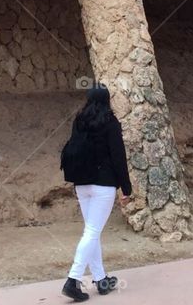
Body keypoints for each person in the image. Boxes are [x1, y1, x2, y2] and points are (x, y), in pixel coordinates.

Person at [60, 84, 133, 301]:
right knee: (92, 232)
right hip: (103, 184)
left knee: (92, 232)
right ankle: (73, 280)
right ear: (107, 99)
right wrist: (126, 188)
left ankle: (101, 280)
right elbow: (118, 157)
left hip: (82, 184)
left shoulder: (79, 121)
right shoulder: (110, 122)